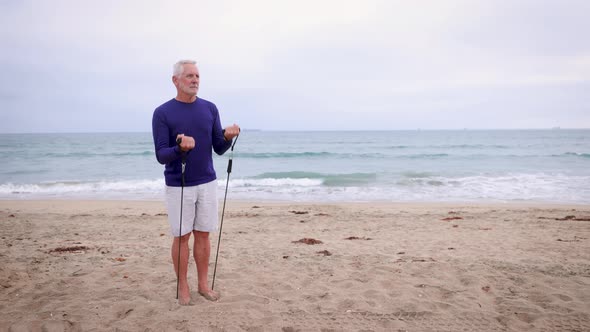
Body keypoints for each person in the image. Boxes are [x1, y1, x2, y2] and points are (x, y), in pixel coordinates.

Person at [152, 59, 240, 305]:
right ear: (176, 81)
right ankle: (183, 286)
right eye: (189, 76)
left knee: (203, 234)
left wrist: (227, 136)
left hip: (207, 182)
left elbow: (219, 148)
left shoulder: (210, 109)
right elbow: (161, 155)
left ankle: (203, 284)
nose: (194, 80)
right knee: (182, 236)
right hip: (178, 185)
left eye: (197, 76)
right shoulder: (162, 113)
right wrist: (180, 148)